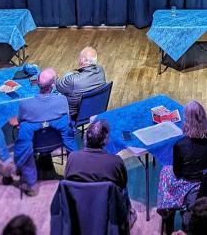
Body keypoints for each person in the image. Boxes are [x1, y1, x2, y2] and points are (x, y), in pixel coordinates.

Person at [14, 68, 77, 196]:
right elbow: (68, 120)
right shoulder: (62, 100)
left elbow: (20, 121)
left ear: (37, 82)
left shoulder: (25, 104)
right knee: (68, 131)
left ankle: (30, 183)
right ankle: (75, 176)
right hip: (58, 142)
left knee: (23, 136)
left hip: (34, 144)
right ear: (53, 84)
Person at [157, 101, 207, 234]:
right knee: (167, 172)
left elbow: (177, 173)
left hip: (190, 183)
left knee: (165, 172)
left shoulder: (180, 145)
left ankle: (168, 212)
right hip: (206, 179)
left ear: (187, 121)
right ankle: (171, 210)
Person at [65, 120, 128, 189]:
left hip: (78, 198)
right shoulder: (116, 161)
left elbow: (68, 181)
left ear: (85, 138)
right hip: (106, 198)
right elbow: (122, 185)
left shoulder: (72, 157)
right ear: (106, 141)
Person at [56, 47, 107, 117]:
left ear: (82, 61)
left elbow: (56, 85)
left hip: (74, 114)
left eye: (80, 58)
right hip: (95, 109)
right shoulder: (100, 70)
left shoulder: (73, 80)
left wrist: (55, 77)